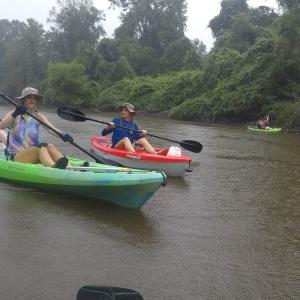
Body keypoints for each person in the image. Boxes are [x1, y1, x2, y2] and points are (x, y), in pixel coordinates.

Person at [0, 87, 74, 169]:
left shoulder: (38, 116)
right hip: (15, 156)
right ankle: (53, 166)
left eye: (34, 97)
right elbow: (1, 126)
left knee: (49, 145)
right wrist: (15, 113)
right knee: (39, 147)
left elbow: (51, 129)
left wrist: (63, 136)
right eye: (29, 97)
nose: (32, 100)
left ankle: (68, 167)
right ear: (23, 100)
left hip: (34, 152)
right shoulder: (14, 114)